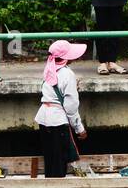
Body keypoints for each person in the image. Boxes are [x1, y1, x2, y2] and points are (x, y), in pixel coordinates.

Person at [35, 40, 88, 177]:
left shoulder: (49, 69)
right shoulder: (67, 74)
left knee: (50, 158)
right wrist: (79, 128)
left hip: (44, 118)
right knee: (60, 161)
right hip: (57, 120)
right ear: (65, 58)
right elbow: (71, 106)